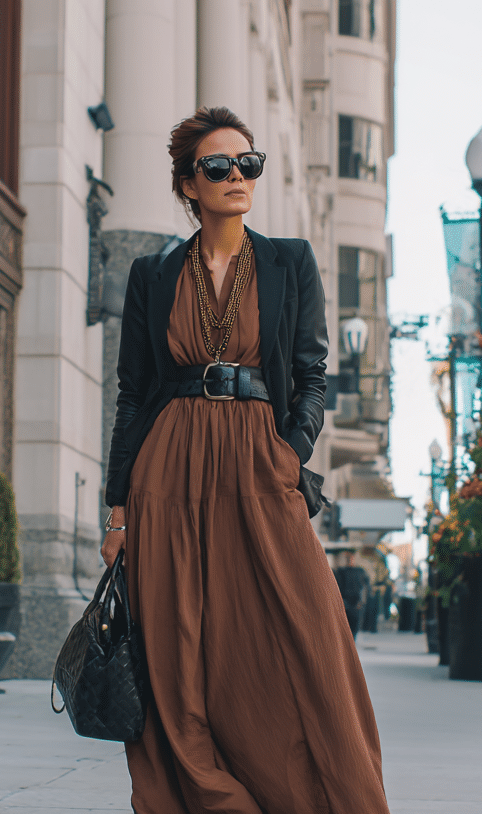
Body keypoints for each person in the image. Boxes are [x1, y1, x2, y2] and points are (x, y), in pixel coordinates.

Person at [101, 107, 390, 814]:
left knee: (302, 635)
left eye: (247, 164)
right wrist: (117, 507)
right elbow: (133, 394)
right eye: (218, 167)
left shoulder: (290, 261)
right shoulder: (153, 273)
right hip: (168, 469)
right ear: (188, 184)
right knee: (178, 646)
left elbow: (313, 373)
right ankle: (205, 795)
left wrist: (289, 455)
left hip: (260, 464)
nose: (237, 177)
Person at [334, 550, 371, 639]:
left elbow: (366, 587)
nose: (349, 560)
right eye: (347, 558)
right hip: (345, 601)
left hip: (356, 601)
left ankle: (352, 642)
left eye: (350, 558)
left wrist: (362, 601)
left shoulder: (360, 571)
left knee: (355, 625)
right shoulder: (341, 572)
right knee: (345, 625)